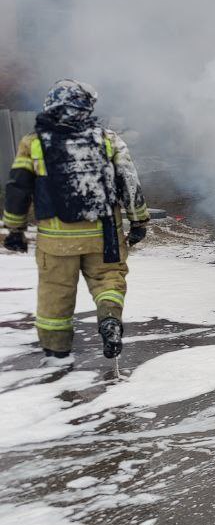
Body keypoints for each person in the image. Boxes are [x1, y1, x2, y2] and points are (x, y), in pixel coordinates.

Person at [2, 80, 150, 362]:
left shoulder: (33, 142)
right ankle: (110, 321)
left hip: (56, 241)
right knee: (109, 281)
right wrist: (138, 221)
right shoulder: (108, 139)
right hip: (104, 236)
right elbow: (129, 182)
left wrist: (15, 229)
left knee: (55, 293)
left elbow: (18, 188)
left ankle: (56, 352)